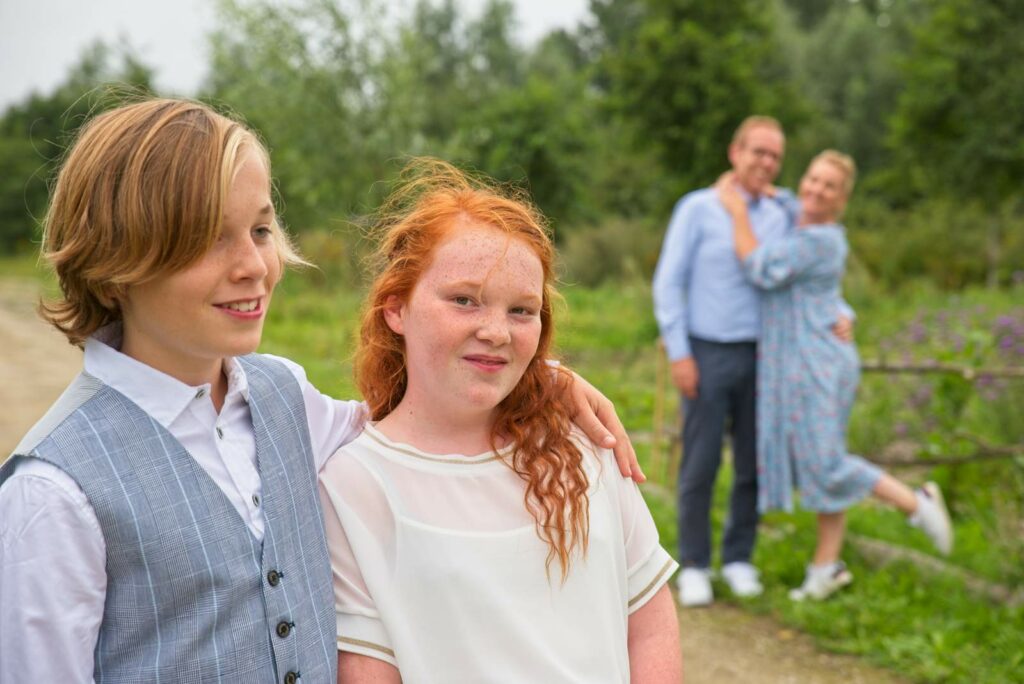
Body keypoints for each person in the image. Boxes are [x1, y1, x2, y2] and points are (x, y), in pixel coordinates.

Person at [0, 98, 640, 682]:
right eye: (207, 239)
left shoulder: (283, 397)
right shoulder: (51, 493)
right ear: (114, 262)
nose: (254, 265)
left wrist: (541, 380)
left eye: (259, 229)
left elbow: (419, 420)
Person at [317, 160, 682, 682]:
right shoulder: (354, 485)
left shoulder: (581, 441)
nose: (496, 331)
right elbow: (366, 668)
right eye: (464, 300)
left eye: (521, 310)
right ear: (396, 309)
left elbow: (648, 623)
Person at [717, 150, 954, 600]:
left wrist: (735, 211)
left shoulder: (821, 239)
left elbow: (761, 268)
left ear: (841, 199)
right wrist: (760, 187)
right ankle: (825, 569)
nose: (815, 189)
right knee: (820, 463)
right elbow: (785, 202)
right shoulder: (801, 217)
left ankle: (915, 502)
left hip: (818, 365)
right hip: (805, 361)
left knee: (824, 463)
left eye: (828, 186)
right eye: (812, 179)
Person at [652, 115, 854, 606]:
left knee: (752, 463)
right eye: (756, 152)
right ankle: (695, 564)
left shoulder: (784, 211)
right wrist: (680, 352)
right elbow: (667, 282)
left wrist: (844, 311)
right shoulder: (698, 209)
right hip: (707, 350)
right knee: (699, 462)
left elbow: (809, 270)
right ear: (734, 152)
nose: (765, 163)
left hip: (767, 357)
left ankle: (739, 558)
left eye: (774, 156)